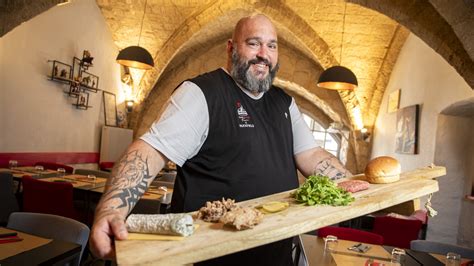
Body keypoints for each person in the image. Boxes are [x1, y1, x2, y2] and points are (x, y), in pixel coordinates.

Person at [89, 14, 351, 265]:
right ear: (231, 48)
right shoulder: (202, 93)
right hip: (210, 255)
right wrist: (111, 211)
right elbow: (150, 151)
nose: (264, 54)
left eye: (272, 45)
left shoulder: (285, 102)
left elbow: (311, 155)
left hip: (275, 251)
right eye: (253, 43)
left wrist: (353, 184)